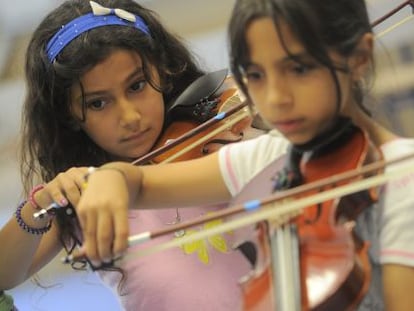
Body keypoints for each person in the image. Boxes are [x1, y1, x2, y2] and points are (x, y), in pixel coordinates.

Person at [75, 0, 414, 310]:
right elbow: (141, 180)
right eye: (255, 75)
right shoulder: (272, 154)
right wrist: (112, 177)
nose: (275, 97)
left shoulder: (404, 177)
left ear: (359, 59)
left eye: (298, 69)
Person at [0, 0, 259, 310]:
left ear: (162, 70)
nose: (129, 116)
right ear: (67, 114)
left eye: (136, 86)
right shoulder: (83, 199)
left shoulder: (224, 134)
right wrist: (39, 205)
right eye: (98, 103)